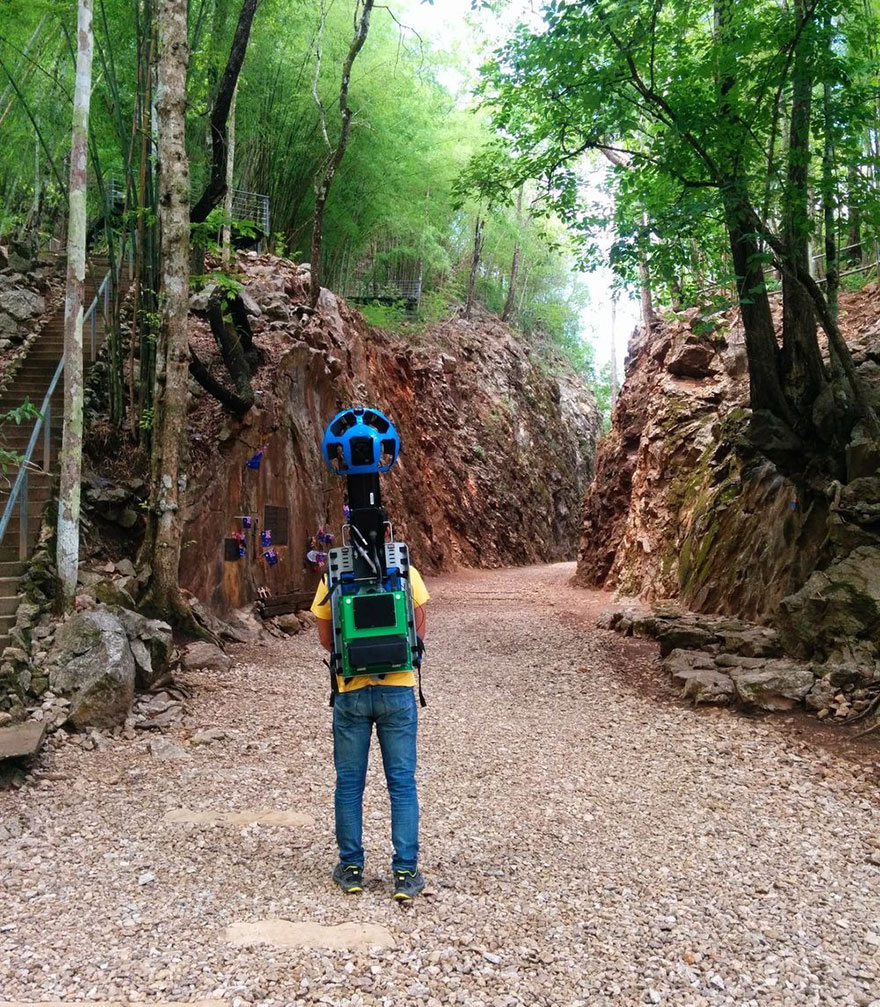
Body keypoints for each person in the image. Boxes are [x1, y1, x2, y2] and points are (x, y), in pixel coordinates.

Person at [311, 568, 429, 901]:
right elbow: (417, 630)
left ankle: (350, 870)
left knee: (349, 784)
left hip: (351, 691)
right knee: (402, 783)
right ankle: (405, 873)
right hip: (397, 691)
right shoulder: (404, 570)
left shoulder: (333, 573)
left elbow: (325, 638)